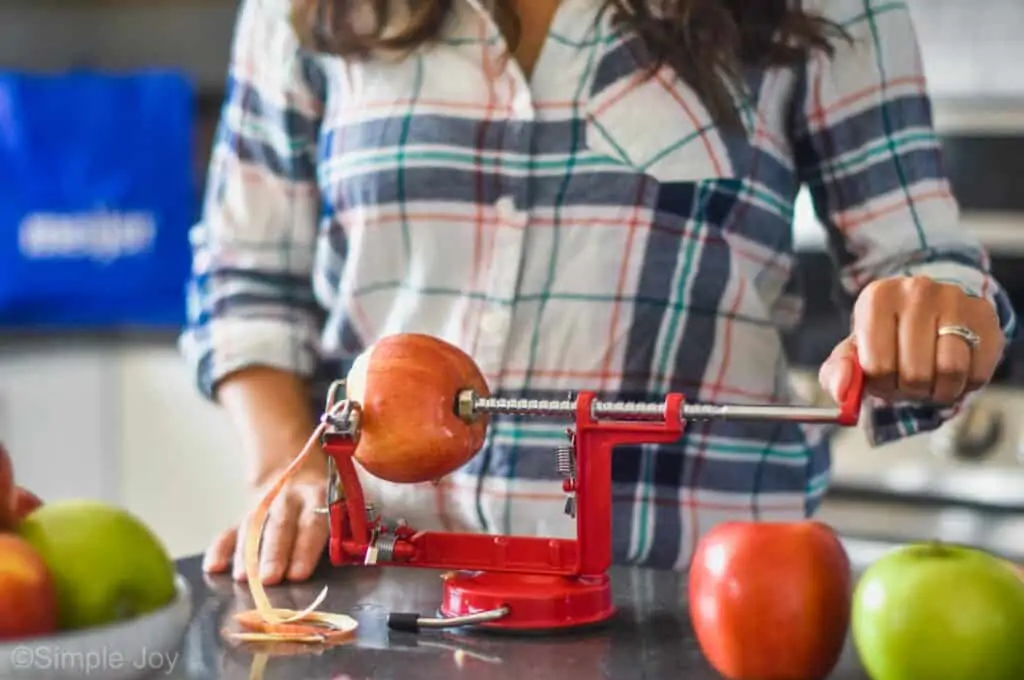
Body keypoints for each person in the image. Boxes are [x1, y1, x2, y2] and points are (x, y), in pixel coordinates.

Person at [180, 0, 1016, 585]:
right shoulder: (301, 10)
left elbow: (927, 261)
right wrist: (284, 468)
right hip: (386, 600)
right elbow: (246, 276)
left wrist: (940, 314)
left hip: (698, 609)